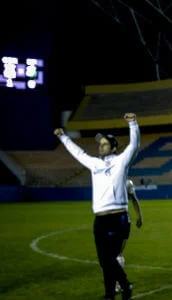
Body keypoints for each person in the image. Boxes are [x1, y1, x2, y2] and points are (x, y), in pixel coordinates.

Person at [54, 113, 140, 300]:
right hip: (100, 218)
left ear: (114, 147)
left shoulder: (121, 161)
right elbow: (78, 153)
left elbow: (134, 145)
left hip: (118, 217)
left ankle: (125, 286)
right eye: (100, 145)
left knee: (110, 257)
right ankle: (110, 294)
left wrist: (133, 124)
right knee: (104, 260)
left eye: (105, 144)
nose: (100, 147)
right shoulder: (94, 164)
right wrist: (63, 137)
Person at [115, 179, 144, 294]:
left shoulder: (111, 181)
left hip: (112, 220)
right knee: (118, 253)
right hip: (123, 220)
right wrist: (140, 216)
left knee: (113, 254)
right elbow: (134, 199)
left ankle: (116, 284)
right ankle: (119, 284)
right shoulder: (128, 183)